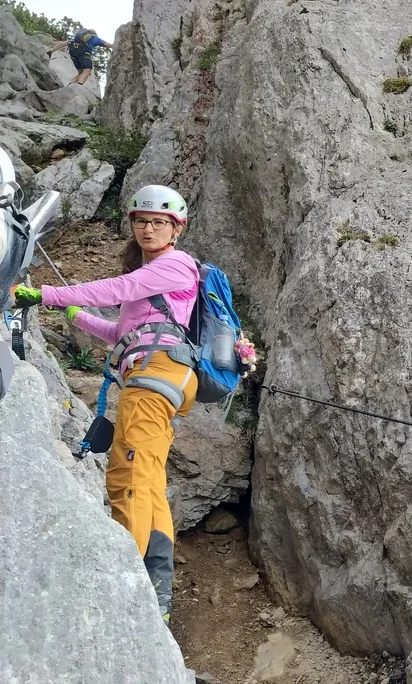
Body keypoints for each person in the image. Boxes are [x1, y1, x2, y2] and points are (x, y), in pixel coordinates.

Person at [11, 185, 197, 621]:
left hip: (155, 375)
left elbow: (118, 288)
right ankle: (157, 593)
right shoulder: (157, 277)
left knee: (126, 473)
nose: (148, 229)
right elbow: (122, 333)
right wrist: (76, 316)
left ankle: (123, 586)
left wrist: (46, 295)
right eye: (141, 221)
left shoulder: (175, 264)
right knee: (147, 479)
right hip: (163, 372)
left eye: (159, 222)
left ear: (176, 230)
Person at [48, 28, 112, 85]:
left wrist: (51, 51)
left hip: (73, 54)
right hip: (84, 53)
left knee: (80, 72)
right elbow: (106, 44)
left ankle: (70, 85)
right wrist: (115, 46)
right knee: (87, 70)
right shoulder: (94, 38)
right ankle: (78, 86)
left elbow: (62, 44)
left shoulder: (75, 39)